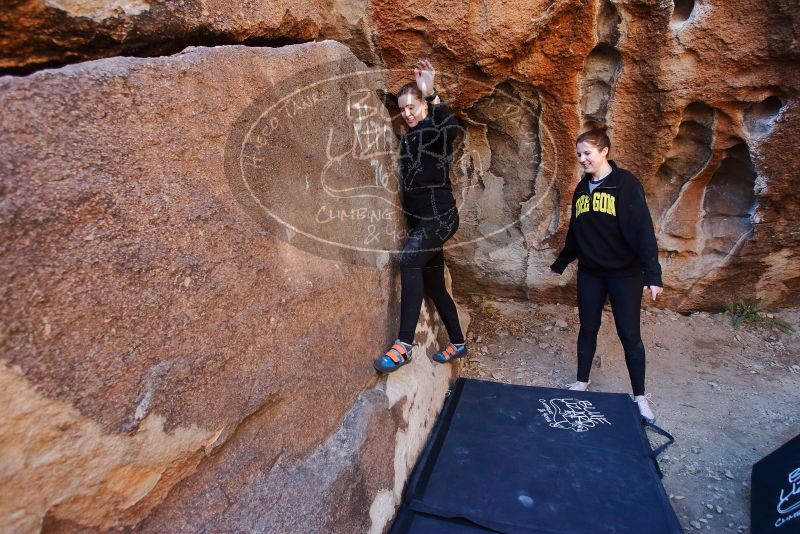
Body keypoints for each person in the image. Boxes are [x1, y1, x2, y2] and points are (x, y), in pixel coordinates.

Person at [550, 129, 663, 423]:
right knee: (588, 327)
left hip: (625, 273)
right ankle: (582, 381)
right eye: (579, 155)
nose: (582, 159)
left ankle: (639, 397)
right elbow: (577, 231)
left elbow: (643, 231)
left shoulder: (625, 185)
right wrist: (562, 262)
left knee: (629, 335)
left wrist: (653, 274)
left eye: (587, 153)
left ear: (604, 152)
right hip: (591, 272)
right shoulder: (581, 189)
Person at [373, 59, 468, 373]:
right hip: (422, 221)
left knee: (409, 260)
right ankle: (458, 342)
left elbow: (455, 129)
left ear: (423, 106)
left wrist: (432, 95)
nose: (408, 113)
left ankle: (403, 346)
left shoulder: (434, 131)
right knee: (434, 285)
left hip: (440, 217)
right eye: (403, 109)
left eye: (412, 106)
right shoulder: (408, 138)